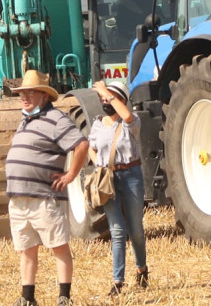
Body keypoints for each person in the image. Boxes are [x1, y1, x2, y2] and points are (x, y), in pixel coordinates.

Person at [5, 69, 89, 306]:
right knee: (26, 249)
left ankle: (64, 297)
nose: (24, 97)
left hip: (45, 197)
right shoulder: (26, 119)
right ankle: (27, 298)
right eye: (22, 92)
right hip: (20, 198)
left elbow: (81, 144)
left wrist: (71, 174)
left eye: (30, 92)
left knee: (58, 246)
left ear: (44, 95)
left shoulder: (57, 119)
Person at [88, 80, 148, 295]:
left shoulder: (131, 122)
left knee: (136, 229)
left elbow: (128, 117)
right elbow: (91, 148)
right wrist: (98, 164)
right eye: (102, 98)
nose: (104, 101)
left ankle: (141, 269)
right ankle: (118, 281)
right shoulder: (97, 123)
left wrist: (107, 92)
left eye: (109, 98)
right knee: (117, 231)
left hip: (131, 175)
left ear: (121, 100)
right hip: (108, 179)